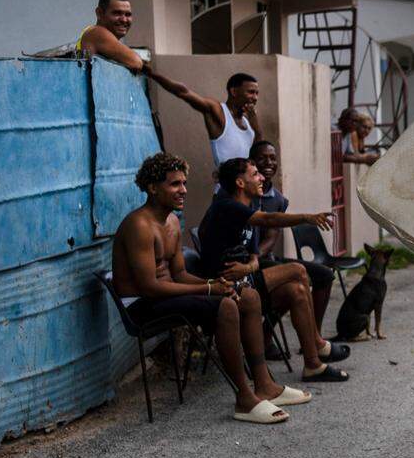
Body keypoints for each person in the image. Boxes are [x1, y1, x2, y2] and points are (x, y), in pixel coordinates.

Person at [112, 152, 311, 424]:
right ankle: (244, 398)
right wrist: (208, 289)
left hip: (164, 292)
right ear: (152, 188)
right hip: (142, 304)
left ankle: (265, 385)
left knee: (247, 296)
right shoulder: (139, 225)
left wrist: (216, 284)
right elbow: (149, 287)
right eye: (174, 184)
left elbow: (180, 274)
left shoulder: (171, 221)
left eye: (184, 183)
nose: (183, 190)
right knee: (226, 305)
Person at [198, 157, 351, 382]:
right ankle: (317, 344)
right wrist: (308, 217)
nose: (261, 178)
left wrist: (248, 266)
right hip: (228, 287)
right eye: (255, 174)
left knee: (296, 291)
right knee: (298, 270)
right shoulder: (227, 206)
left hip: (245, 279)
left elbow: (254, 257)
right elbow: (269, 219)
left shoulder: (248, 207)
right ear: (240, 183)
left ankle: (313, 365)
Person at [248, 140, 336, 333]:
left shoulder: (278, 199)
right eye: (262, 159)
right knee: (292, 283)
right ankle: (267, 337)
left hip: (263, 258)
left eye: (273, 158)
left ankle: (315, 335)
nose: (269, 163)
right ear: (251, 162)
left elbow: (271, 237)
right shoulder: (244, 193)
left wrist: (256, 255)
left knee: (325, 275)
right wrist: (250, 259)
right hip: (247, 264)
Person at [145, 69, 261, 170]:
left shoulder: (248, 120)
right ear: (234, 91)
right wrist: (151, 73)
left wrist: (254, 121)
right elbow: (182, 91)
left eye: (257, 93)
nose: (255, 98)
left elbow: (258, 152)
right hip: (227, 192)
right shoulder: (219, 111)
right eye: (251, 92)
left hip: (247, 191)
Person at [77, 0, 145, 74]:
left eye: (128, 14)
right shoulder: (96, 33)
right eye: (117, 13)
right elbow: (136, 62)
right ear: (99, 13)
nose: (124, 19)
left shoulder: (91, 33)